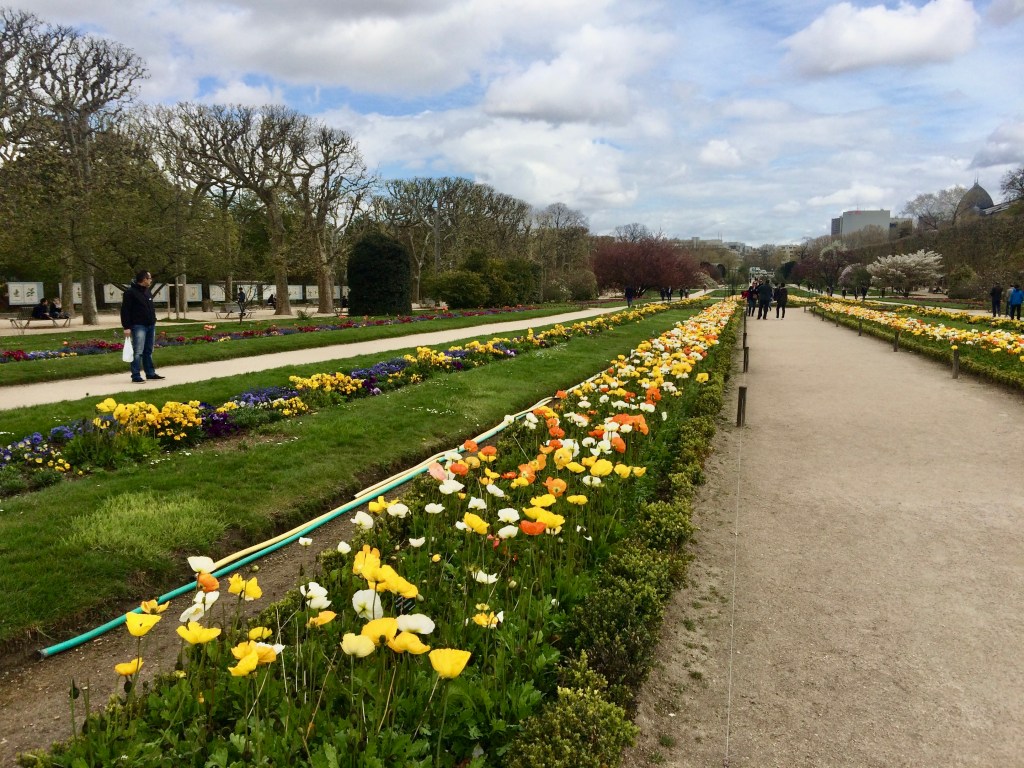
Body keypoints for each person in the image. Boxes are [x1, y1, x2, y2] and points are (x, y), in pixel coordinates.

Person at [120, 269, 163, 383]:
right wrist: (127, 327)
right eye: (149, 278)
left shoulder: (147, 291)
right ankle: (136, 375)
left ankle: (150, 373)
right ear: (144, 279)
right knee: (138, 351)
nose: (151, 280)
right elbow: (125, 311)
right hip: (138, 325)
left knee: (148, 350)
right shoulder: (130, 293)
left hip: (150, 324)